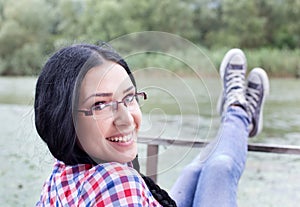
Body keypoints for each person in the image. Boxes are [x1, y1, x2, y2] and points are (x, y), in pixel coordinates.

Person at [34, 44, 269, 207]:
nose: (127, 119)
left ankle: (236, 111)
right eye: (99, 105)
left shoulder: (61, 172)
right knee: (220, 167)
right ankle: (238, 111)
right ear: (64, 119)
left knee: (195, 170)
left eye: (129, 97)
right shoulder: (118, 181)